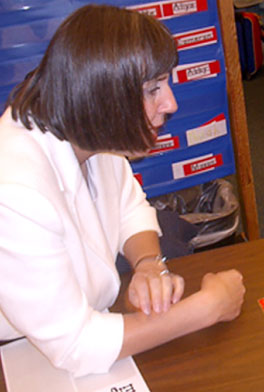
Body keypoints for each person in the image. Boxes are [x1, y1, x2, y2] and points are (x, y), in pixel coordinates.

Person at [0, 4, 245, 377]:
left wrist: (147, 264)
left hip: (84, 318)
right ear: (101, 94)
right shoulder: (15, 191)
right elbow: (75, 346)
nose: (171, 104)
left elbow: (131, 206)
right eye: (153, 89)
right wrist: (205, 309)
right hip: (20, 350)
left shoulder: (83, 126)